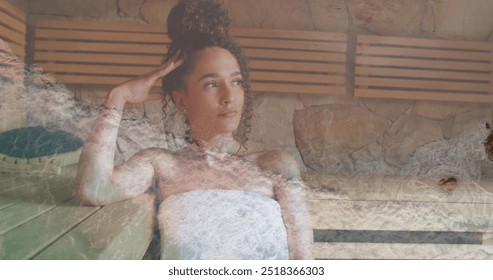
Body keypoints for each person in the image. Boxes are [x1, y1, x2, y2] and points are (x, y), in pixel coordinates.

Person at [75, 0, 313, 260]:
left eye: (236, 82)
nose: (229, 96)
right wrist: (117, 98)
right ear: (181, 101)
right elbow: (94, 190)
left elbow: (303, 260)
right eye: (212, 84)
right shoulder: (162, 165)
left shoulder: (276, 165)